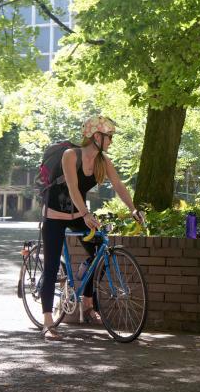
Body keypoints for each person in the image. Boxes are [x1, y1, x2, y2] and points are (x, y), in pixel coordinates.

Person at [40, 115, 144, 340]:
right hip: (55, 216)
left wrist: (134, 209)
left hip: (78, 215)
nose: (111, 141)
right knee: (50, 268)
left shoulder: (102, 161)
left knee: (100, 250)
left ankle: (87, 302)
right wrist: (87, 214)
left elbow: (119, 185)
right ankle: (48, 322)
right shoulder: (71, 155)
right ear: (97, 136)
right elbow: (73, 187)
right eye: (109, 137)